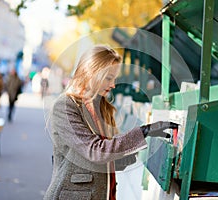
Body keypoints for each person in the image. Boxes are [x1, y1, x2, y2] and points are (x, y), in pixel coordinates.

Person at [43, 45, 178, 200]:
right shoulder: (65, 106)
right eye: (108, 78)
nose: (113, 84)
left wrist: (149, 144)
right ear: (91, 73)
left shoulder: (100, 107)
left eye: (114, 79)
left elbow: (110, 161)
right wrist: (143, 132)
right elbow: (96, 151)